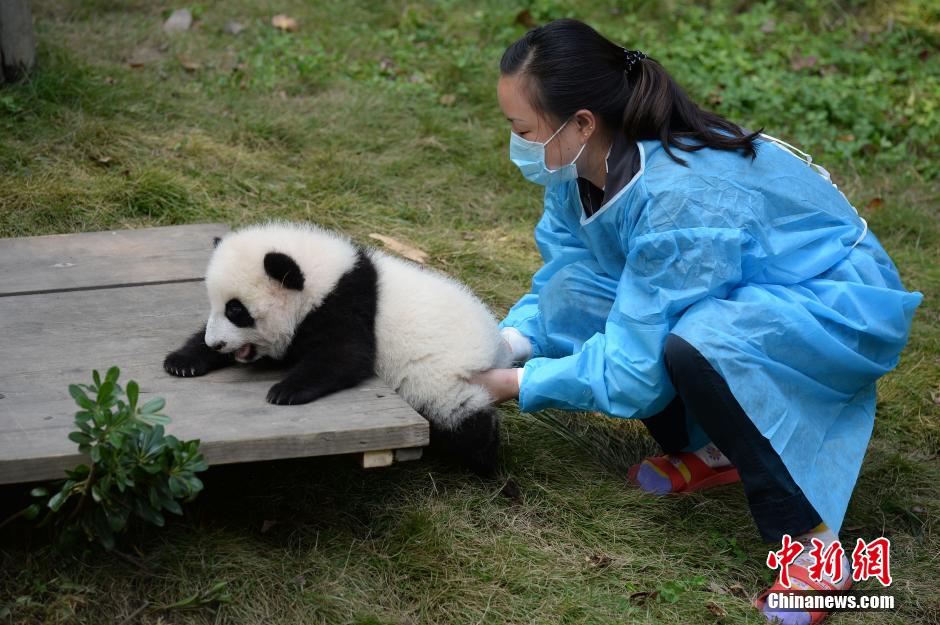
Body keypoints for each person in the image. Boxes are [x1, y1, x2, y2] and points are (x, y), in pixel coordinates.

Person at [470, 18, 923, 625]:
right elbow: (569, 282)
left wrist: (517, 385)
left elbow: (633, 369)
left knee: (699, 342)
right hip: (747, 286)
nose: (517, 144)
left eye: (522, 130)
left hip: (833, 303)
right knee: (602, 294)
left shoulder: (679, 198)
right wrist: (507, 344)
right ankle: (715, 452)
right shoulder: (577, 169)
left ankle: (815, 549)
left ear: (581, 123)